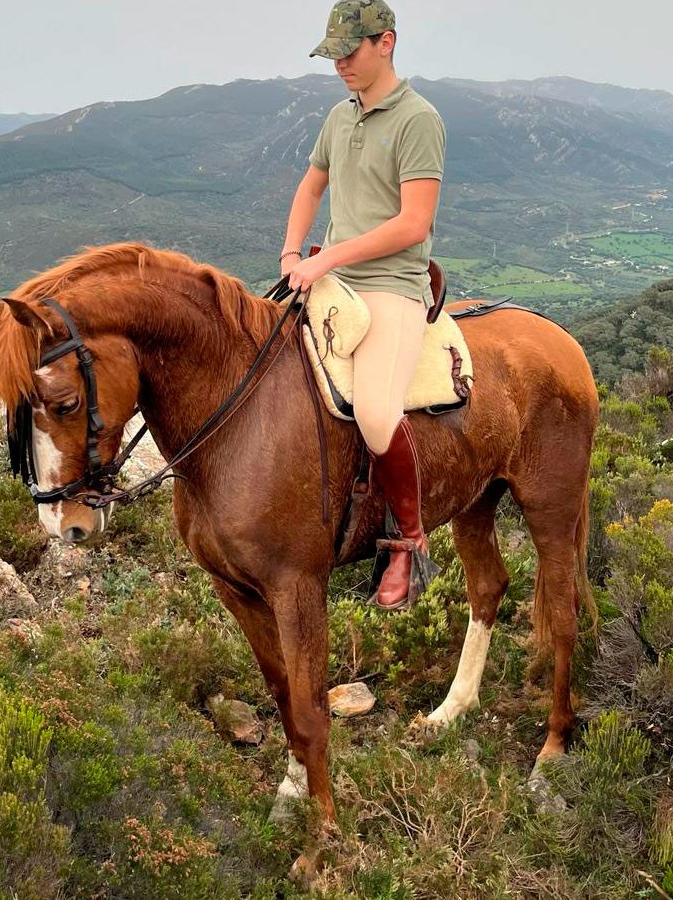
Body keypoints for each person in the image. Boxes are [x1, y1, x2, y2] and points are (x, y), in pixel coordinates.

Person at [280, 0, 446, 610]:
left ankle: (409, 540)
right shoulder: (338, 116)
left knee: (376, 413)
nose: (341, 65)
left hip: (392, 285)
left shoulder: (419, 119)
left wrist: (328, 257)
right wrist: (291, 252)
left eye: (350, 52)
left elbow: (413, 222)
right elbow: (311, 184)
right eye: (335, 56)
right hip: (335, 280)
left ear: (387, 43)